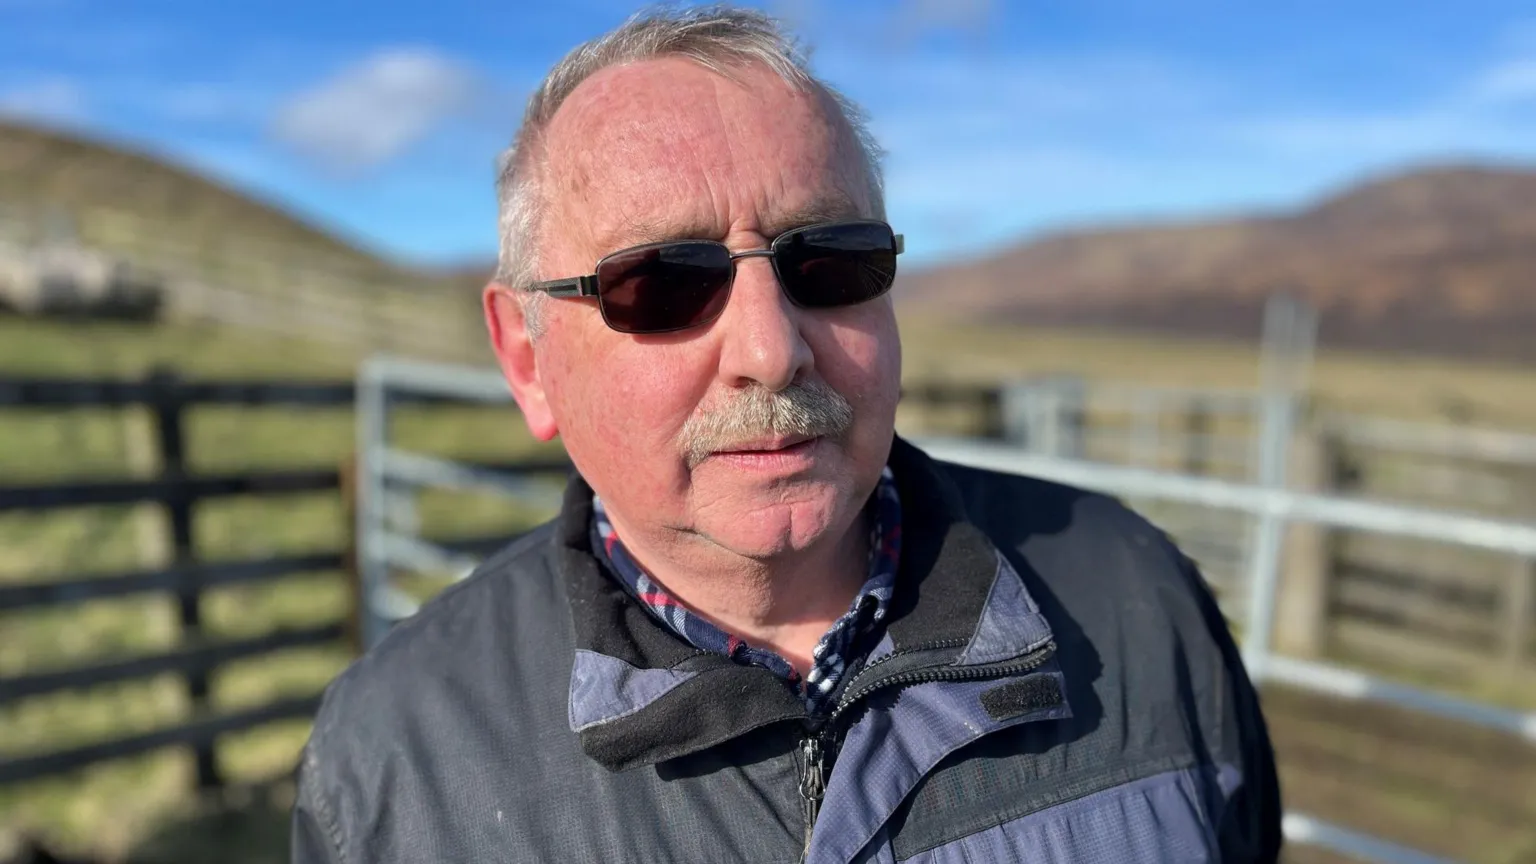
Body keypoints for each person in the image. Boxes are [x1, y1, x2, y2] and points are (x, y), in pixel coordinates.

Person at [290, 6, 1283, 862]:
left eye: (829, 261)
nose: (771, 349)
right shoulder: (390, 765)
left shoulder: (1136, 603)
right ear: (527, 357)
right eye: (664, 285)